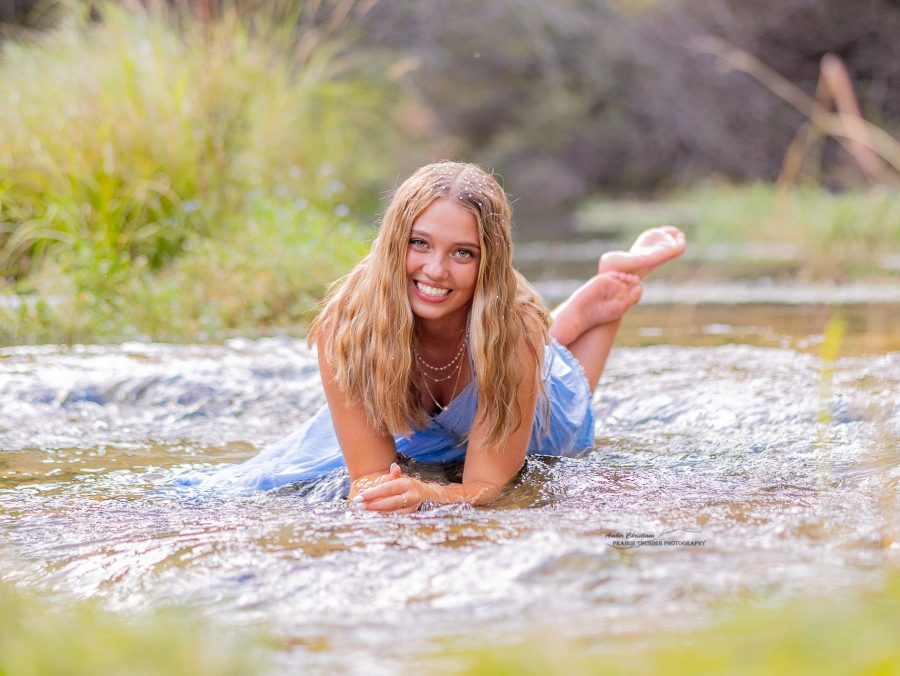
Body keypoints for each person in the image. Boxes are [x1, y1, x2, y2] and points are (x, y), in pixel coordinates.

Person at [196, 161, 685, 510]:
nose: (435, 270)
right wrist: (382, 497)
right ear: (394, 242)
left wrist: (429, 493)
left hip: (518, 373)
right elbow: (368, 477)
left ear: (488, 263)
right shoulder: (345, 327)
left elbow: (489, 485)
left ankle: (610, 297)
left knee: (567, 408)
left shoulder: (513, 332)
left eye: (463, 254)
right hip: (436, 407)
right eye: (420, 243)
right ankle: (582, 307)